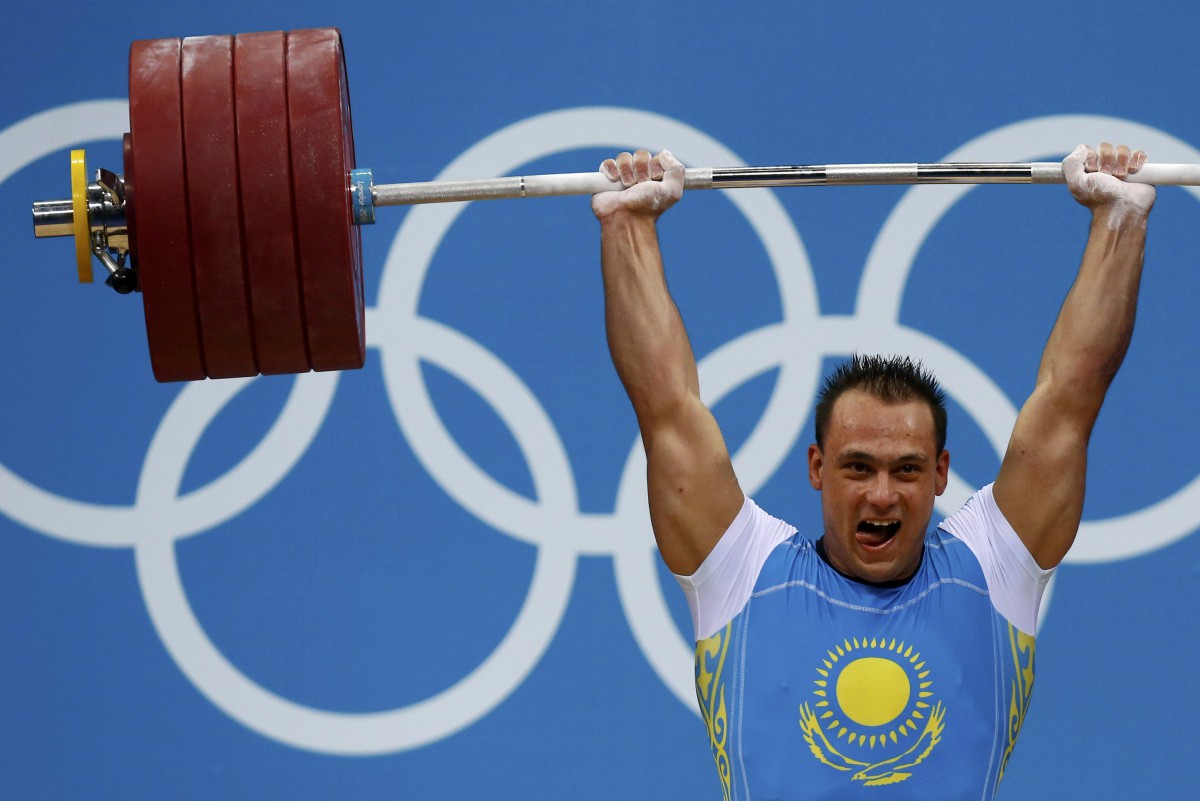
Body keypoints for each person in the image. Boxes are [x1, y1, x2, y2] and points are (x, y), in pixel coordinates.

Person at [591, 143, 1154, 800]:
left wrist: (1119, 218)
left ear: (941, 474)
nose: (882, 494)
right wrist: (629, 224)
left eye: (906, 470)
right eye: (858, 467)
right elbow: (664, 406)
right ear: (817, 467)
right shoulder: (741, 571)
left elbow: (1071, 396)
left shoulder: (994, 567)